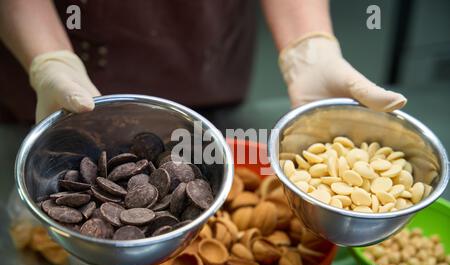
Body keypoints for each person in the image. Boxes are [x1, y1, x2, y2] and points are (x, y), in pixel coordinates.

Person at [0, 0, 406, 124]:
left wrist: (308, 47)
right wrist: (48, 60)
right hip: (71, 54)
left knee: (208, 153)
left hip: (208, 50)